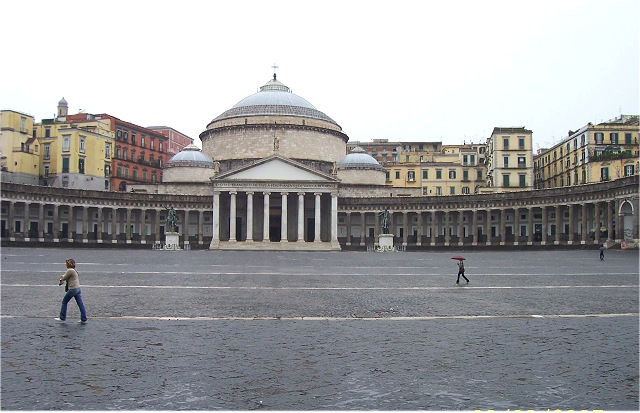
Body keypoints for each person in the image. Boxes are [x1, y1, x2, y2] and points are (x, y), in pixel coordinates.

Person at [55, 258, 87, 324]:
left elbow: (64, 278)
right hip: (77, 289)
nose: (65, 265)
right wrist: (62, 277)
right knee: (80, 304)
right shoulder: (74, 270)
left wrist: (61, 279)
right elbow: (66, 276)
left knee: (64, 302)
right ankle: (83, 318)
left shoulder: (70, 270)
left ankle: (62, 317)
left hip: (73, 289)